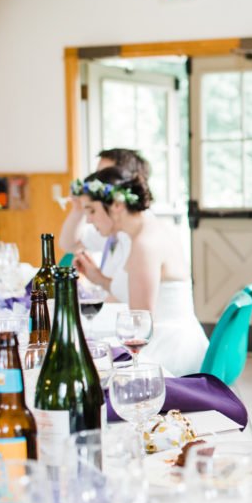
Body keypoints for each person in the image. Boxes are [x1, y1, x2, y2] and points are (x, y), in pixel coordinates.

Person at [71, 167, 207, 375]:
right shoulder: (148, 230)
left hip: (169, 351)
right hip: (177, 340)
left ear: (116, 205)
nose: (88, 220)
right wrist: (98, 278)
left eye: (91, 210)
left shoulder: (145, 244)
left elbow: (140, 326)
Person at [61, 148, 150, 303]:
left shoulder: (140, 235)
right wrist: (80, 209)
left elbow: (138, 307)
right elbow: (69, 245)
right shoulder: (112, 227)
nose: (97, 181)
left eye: (105, 174)